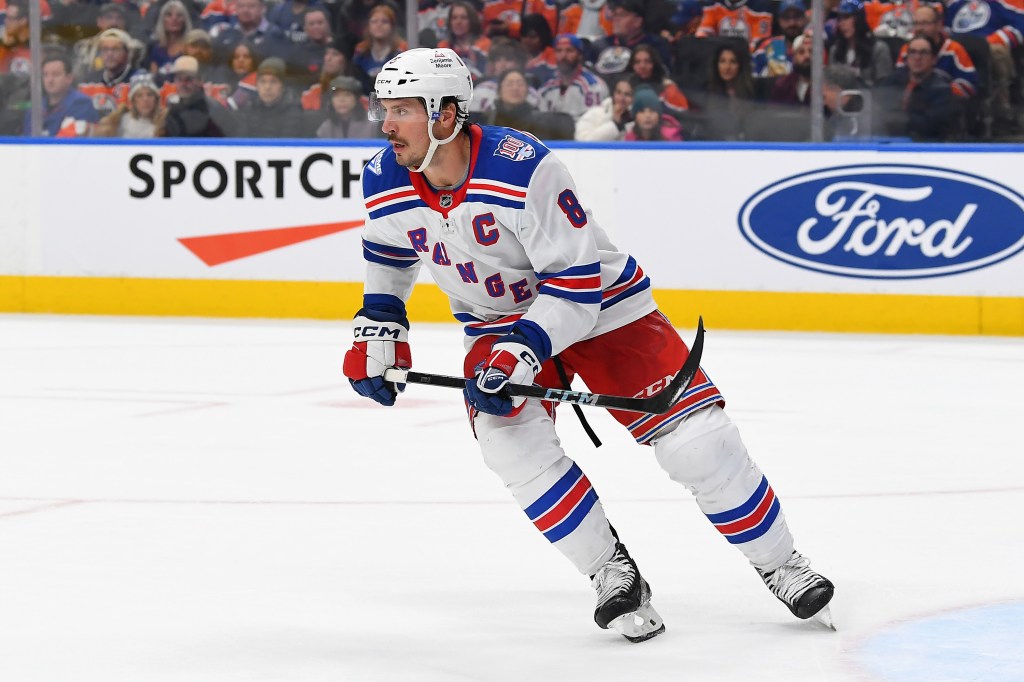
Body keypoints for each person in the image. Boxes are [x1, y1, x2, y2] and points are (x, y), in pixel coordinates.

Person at [344, 46, 835, 642]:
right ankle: (610, 572)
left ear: (447, 113)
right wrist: (381, 327)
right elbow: (391, 252)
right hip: (497, 323)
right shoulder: (383, 175)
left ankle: (781, 563)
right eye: (384, 109)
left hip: (604, 311)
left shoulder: (521, 166)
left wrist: (524, 349)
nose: (386, 125)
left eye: (402, 110)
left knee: (699, 444)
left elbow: (576, 286)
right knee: (510, 444)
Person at [874, 34, 956, 140]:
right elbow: (875, 105)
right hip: (887, 141)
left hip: (924, 147)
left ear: (933, 59)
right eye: (912, 52)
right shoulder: (893, 81)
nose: (917, 57)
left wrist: (897, 118)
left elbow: (928, 127)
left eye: (923, 53)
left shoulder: (941, 90)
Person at [895, 5, 977, 100]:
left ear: (939, 25)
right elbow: (897, 81)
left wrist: (938, 93)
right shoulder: (907, 49)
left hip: (945, 106)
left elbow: (968, 86)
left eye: (925, 23)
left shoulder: (954, 49)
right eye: (916, 23)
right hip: (912, 107)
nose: (919, 28)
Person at [24, 50, 99, 136]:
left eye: (56, 75)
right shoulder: (35, 108)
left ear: (69, 78)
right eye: (45, 75)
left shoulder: (81, 104)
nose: (50, 80)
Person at [538, 33, 609, 121]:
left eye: (569, 51)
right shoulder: (547, 85)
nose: (563, 56)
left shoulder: (594, 86)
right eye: (559, 51)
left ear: (580, 55)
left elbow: (594, 122)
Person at [163, 54, 235, 136]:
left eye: (188, 79)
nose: (183, 84)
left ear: (200, 80)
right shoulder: (173, 110)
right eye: (179, 79)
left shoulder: (213, 110)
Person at [697, 42, 755, 140]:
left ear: (740, 66)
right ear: (716, 65)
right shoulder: (707, 92)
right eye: (722, 61)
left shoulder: (753, 91)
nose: (727, 67)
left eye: (733, 62)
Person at [827, 0, 893, 87]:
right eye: (839, 19)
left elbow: (884, 86)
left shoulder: (879, 49)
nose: (842, 23)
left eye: (846, 17)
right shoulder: (835, 51)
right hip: (841, 98)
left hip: (870, 98)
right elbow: (831, 84)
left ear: (859, 19)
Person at [237, 55, 307, 136]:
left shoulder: (293, 111)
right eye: (263, 82)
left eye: (273, 82)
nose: (267, 87)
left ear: (282, 86)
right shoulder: (250, 107)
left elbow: (287, 145)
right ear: (257, 85)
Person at [351, 4, 407, 93]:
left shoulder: (401, 51)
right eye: (374, 21)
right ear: (368, 26)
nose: (379, 25)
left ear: (392, 26)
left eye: (384, 22)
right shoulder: (360, 51)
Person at [92, 71, 166, 137]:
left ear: (156, 99)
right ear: (133, 101)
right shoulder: (121, 122)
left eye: (150, 94)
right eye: (139, 96)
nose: (145, 99)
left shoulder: (165, 124)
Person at [751, 0, 809, 77]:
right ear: (779, 20)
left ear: (805, 19)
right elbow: (753, 76)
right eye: (786, 17)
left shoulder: (814, 46)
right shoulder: (768, 46)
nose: (792, 23)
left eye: (797, 16)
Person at [315, 74, 378, 138]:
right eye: (337, 95)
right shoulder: (325, 127)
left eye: (347, 95)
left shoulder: (372, 125)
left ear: (356, 99)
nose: (342, 100)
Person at [575, 74, 634, 141]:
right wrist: (615, 125)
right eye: (618, 93)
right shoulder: (595, 113)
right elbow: (582, 142)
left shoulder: (639, 121)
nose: (621, 99)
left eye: (627, 95)